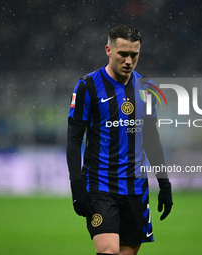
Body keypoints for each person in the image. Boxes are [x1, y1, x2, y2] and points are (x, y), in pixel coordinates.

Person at [66, 24, 173, 255]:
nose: (128, 61)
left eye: (134, 55)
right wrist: (76, 186)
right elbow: (74, 139)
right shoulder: (88, 86)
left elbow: (152, 138)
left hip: (136, 187)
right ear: (108, 50)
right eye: (122, 54)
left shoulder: (147, 87)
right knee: (108, 251)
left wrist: (164, 184)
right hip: (99, 185)